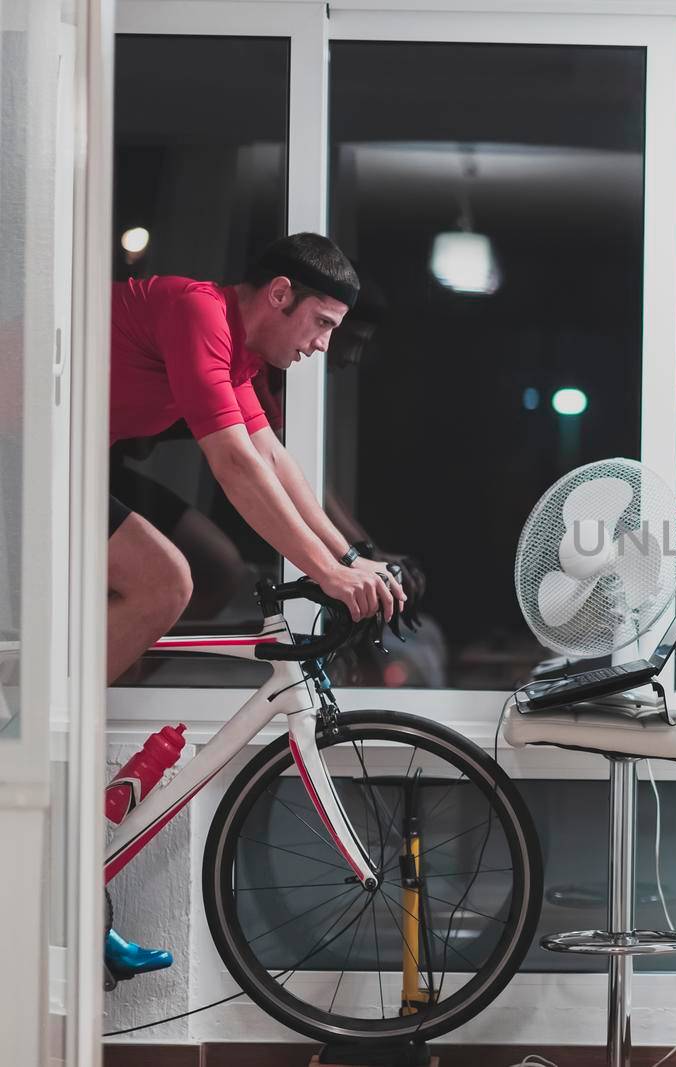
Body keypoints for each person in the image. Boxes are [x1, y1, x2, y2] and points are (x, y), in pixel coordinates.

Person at [104, 233, 405, 981]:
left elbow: (273, 459)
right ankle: (41, 743)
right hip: (23, 446)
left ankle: (84, 698)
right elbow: (234, 465)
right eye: (322, 325)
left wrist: (346, 556)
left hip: (82, 451)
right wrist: (331, 577)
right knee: (165, 583)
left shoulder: (242, 353)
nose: (322, 346)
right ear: (279, 295)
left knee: (212, 568)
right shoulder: (196, 311)